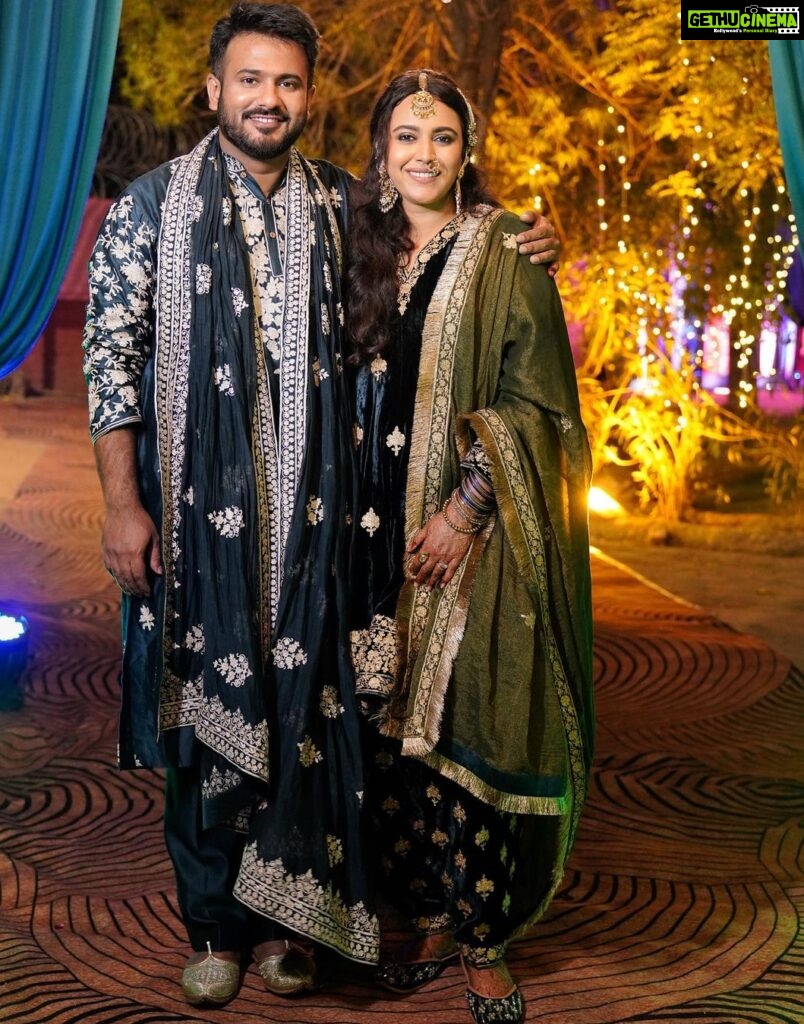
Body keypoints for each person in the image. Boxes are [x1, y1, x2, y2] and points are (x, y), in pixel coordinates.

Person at [83, 1, 560, 1010]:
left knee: (307, 715)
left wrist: (523, 234)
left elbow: (445, 245)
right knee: (198, 716)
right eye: (249, 79)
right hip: (194, 526)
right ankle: (213, 923)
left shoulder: (344, 206)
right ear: (214, 89)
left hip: (317, 532)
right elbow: (111, 363)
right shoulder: (150, 207)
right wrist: (123, 505)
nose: (269, 99)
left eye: (288, 82)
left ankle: (288, 926)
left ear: (307, 95)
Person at [346, 70, 593, 1024]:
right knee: (386, 735)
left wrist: (468, 509)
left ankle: (485, 941)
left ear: (467, 150)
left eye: (442, 137)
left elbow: (542, 409)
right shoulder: (353, 245)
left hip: (466, 539)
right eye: (406, 135)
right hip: (364, 540)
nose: (423, 154)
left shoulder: (508, 254)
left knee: (467, 727)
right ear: (379, 148)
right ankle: (427, 913)